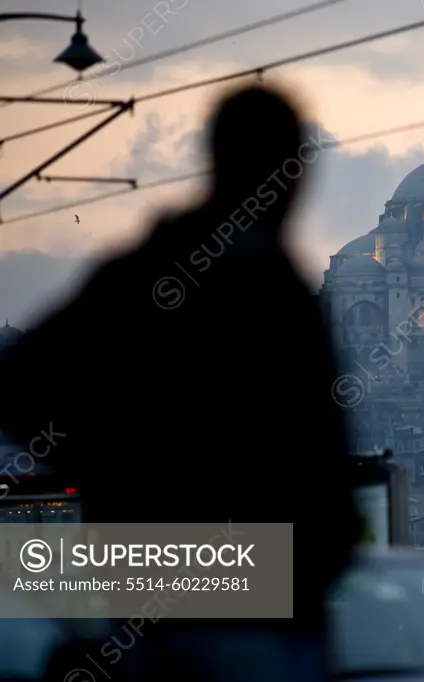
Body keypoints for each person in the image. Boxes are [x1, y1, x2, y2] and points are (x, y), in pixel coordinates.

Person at [0, 84, 361, 681]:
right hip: (262, 611)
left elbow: (20, 381)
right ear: (286, 174)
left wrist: (110, 480)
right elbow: (315, 448)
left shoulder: (143, 270)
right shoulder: (269, 289)